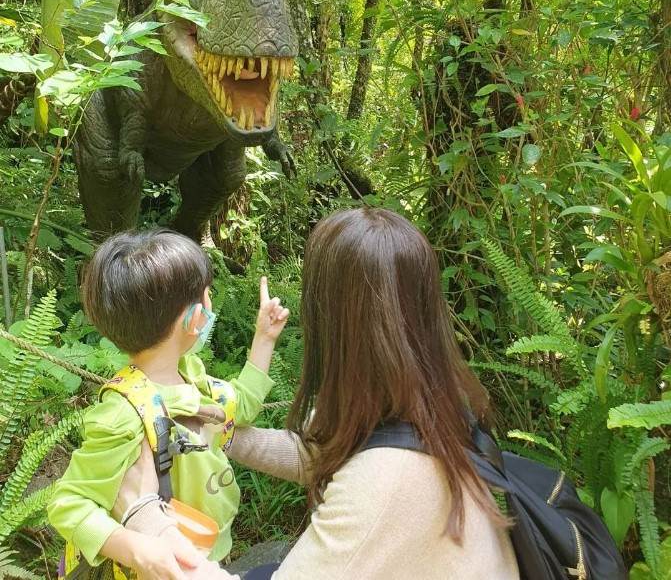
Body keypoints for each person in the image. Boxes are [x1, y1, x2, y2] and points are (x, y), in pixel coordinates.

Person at [116, 208, 520, 580]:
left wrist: (142, 515)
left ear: (335, 320)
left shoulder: (382, 486)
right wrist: (222, 432)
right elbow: (322, 455)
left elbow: (367, 484)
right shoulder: (433, 401)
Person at [48, 228, 289, 580]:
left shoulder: (193, 377)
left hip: (203, 556)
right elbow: (68, 503)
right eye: (208, 297)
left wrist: (264, 338)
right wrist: (137, 548)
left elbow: (242, 407)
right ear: (194, 319)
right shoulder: (123, 414)